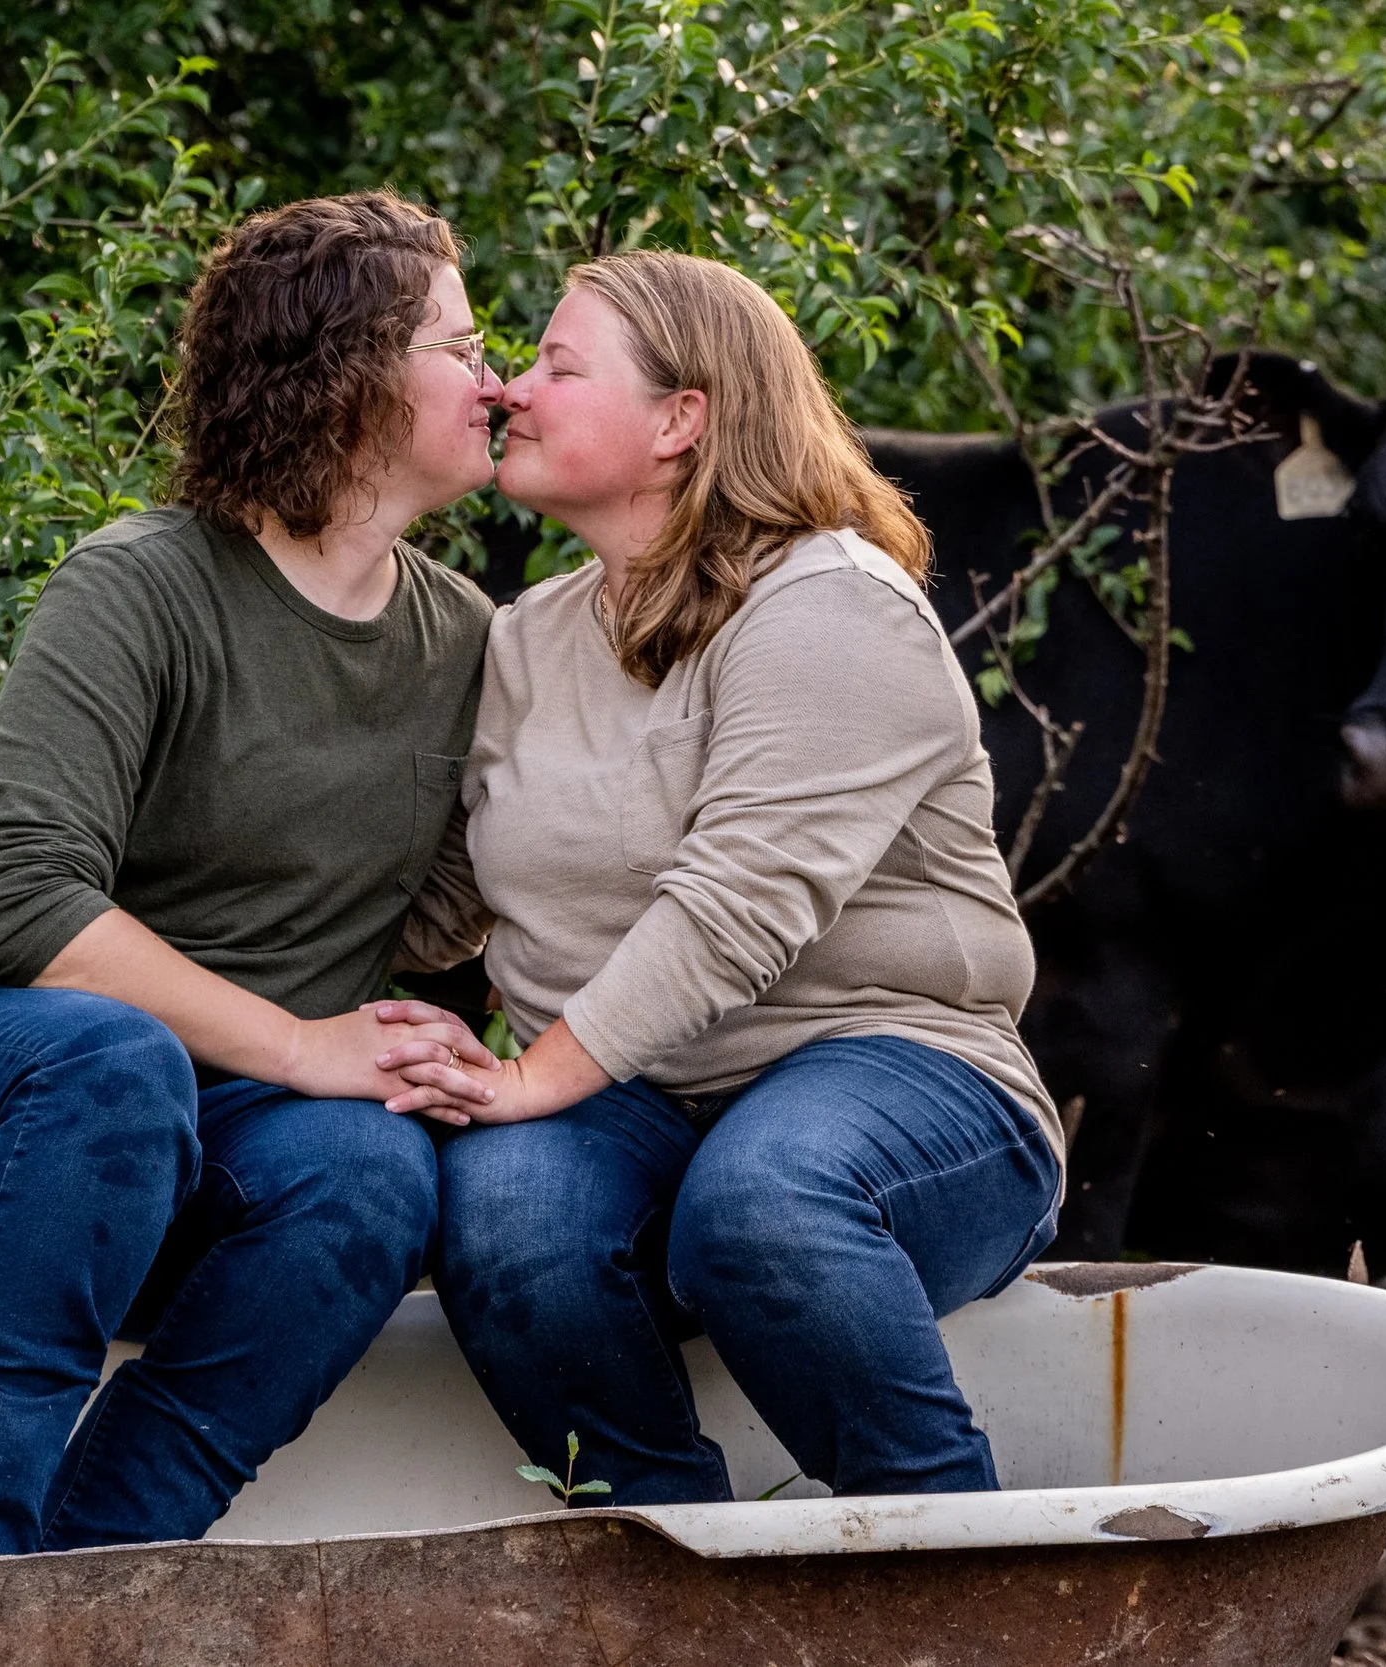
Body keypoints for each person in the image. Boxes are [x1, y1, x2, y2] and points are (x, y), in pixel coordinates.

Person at [0, 190, 507, 1558]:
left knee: (373, 1173)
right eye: (462, 345)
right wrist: (299, 1041)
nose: (497, 376)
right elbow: (24, 901)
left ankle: (90, 1585)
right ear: (350, 377)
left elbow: (481, 902)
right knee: (114, 1063)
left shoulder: (466, 638)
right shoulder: (141, 585)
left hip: (180, 1141)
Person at [378, 250, 1063, 1505]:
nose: (511, 390)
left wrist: (531, 1073)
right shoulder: (528, 634)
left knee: (763, 1198)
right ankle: (674, 1576)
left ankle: (958, 1566)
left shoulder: (831, 604)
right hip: (635, 1102)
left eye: (556, 366)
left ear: (681, 419)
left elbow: (735, 908)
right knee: (506, 1211)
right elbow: (441, 900)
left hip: (896, 1068)